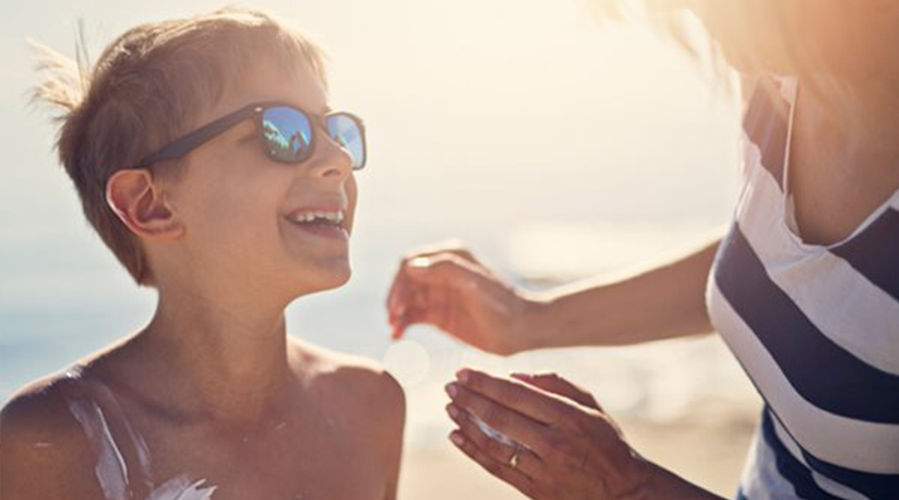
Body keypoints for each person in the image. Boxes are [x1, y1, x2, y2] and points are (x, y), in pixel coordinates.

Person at [387, 1, 899, 499]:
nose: (692, 18)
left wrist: (631, 487)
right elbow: (800, 273)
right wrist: (528, 319)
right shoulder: (781, 78)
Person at [0, 8, 404, 500]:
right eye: (281, 131)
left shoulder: (370, 407)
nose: (339, 160)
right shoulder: (57, 441)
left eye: (336, 131)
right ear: (150, 206)